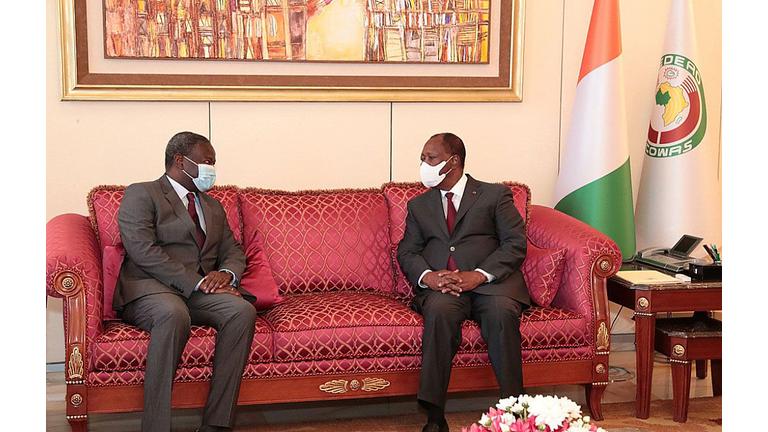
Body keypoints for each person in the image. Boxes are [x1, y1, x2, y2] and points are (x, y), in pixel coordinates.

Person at [114, 131, 257, 432]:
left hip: (197, 292)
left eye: (213, 163)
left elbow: (233, 251)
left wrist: (225, 274)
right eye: (207, 162)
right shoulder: (142, 194)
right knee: (173, 313)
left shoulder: (213, 206)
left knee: (241, 311)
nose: (212, 169)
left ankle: (216, 424)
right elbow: (142, 250)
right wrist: (196, 282)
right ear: (180, 161)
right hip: (151, 289)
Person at [397, 133, 529, 432]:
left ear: (453, 161)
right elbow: (407, 251)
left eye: (431, 158)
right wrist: (428, 277)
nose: (424, 164)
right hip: (443, 287)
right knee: (439, 312)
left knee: (501, 313)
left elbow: (515, 243)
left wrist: (479, 275)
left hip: (491, 285)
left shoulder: (495, 195)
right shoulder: (419, 205)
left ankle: (516, 412)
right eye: (422, 158)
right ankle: (434, 416)